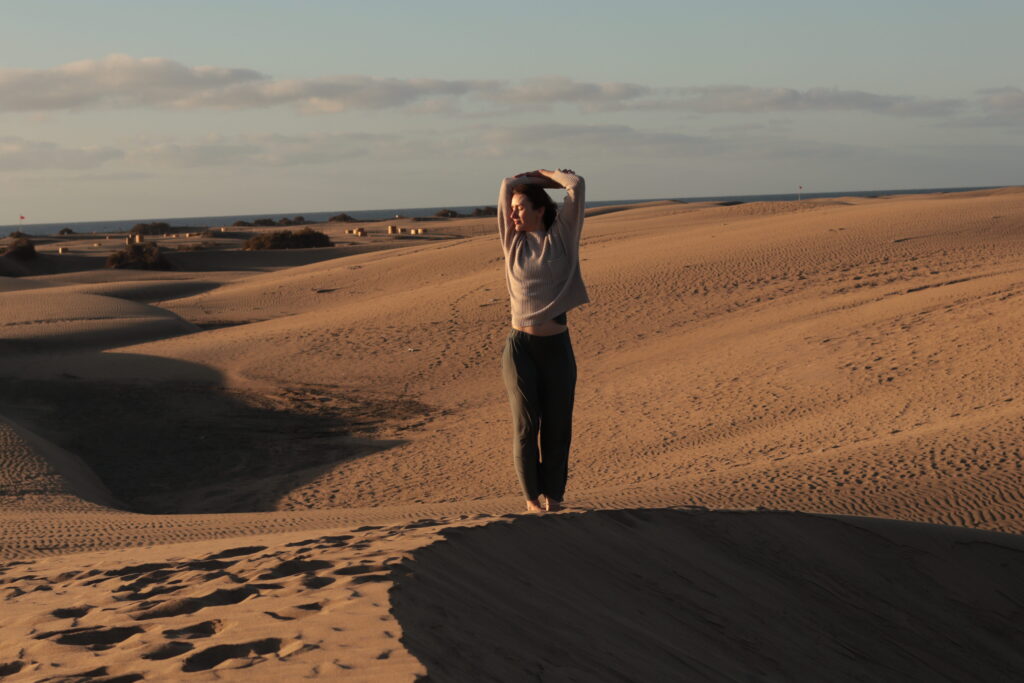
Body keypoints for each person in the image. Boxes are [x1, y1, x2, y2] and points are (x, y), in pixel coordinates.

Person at [497, 168, 589, 512]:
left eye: (520, 208)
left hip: (557, 349)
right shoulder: (512, 242)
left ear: (540, 209)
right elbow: (507, 184)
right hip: (521, 349)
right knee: (526, 426)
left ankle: (555, 498)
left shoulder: (562, 236)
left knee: (558, 426)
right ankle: (531, 500)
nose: (512, 215)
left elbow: (575, 185)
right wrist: (526, 183)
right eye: (511, 209)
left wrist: (544, 176)